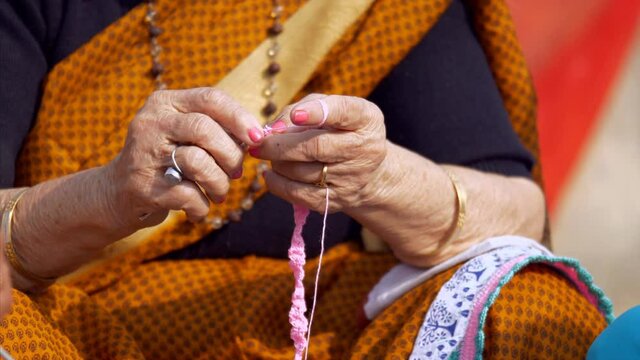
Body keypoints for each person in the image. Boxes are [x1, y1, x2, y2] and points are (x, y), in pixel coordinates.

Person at [0, 0, 611, 358]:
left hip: (314, 332)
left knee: (525, 305)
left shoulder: (374, 9)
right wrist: (108, 195)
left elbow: (522, 217)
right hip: (62, 327)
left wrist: (382, 180)